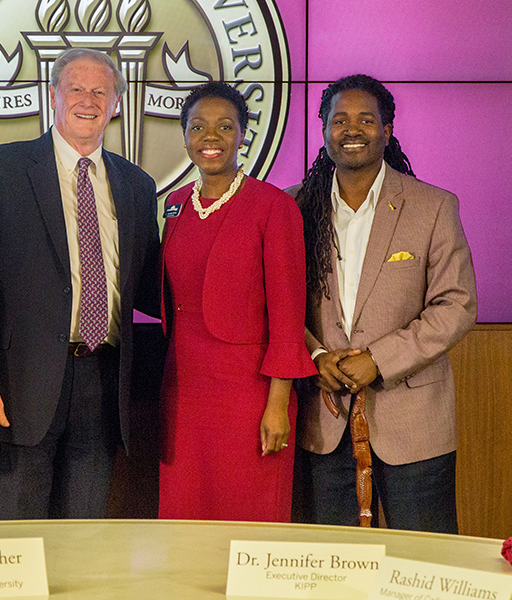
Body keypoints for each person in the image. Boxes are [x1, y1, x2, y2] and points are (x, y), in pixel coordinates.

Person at [0, 48, 160, 520]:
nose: (87, 100)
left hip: (103, 383)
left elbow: (149, 286)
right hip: (16, 386)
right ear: (52, 96)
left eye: (100, 92)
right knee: (10, 546)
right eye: (76, 89)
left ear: (116, 105)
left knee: (82, 542)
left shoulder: (136, 185)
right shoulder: (0, 170)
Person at [288, 74, 477, 533]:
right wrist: (314, 355)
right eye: (340, 120)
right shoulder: (293, 207)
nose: (352, 129)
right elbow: (278, 303)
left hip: (413, 425)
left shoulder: (432, 206)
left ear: (387, 131)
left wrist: (379, 359)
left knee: (425, 566)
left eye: (366, 119)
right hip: (324, 419)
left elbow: (457, 303)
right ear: (324, 129)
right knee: (333, 571)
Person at [157, 82, 317, 521]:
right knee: (185, 513)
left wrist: (278, 403)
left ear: (243, 134)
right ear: (184, 136)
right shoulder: (174, 206)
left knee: (248, 511)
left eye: (225, 126)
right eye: (198, 127)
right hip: (184, 388)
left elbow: (288, 316)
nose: (211, 137)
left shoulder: (273, 206)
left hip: (248, 392)